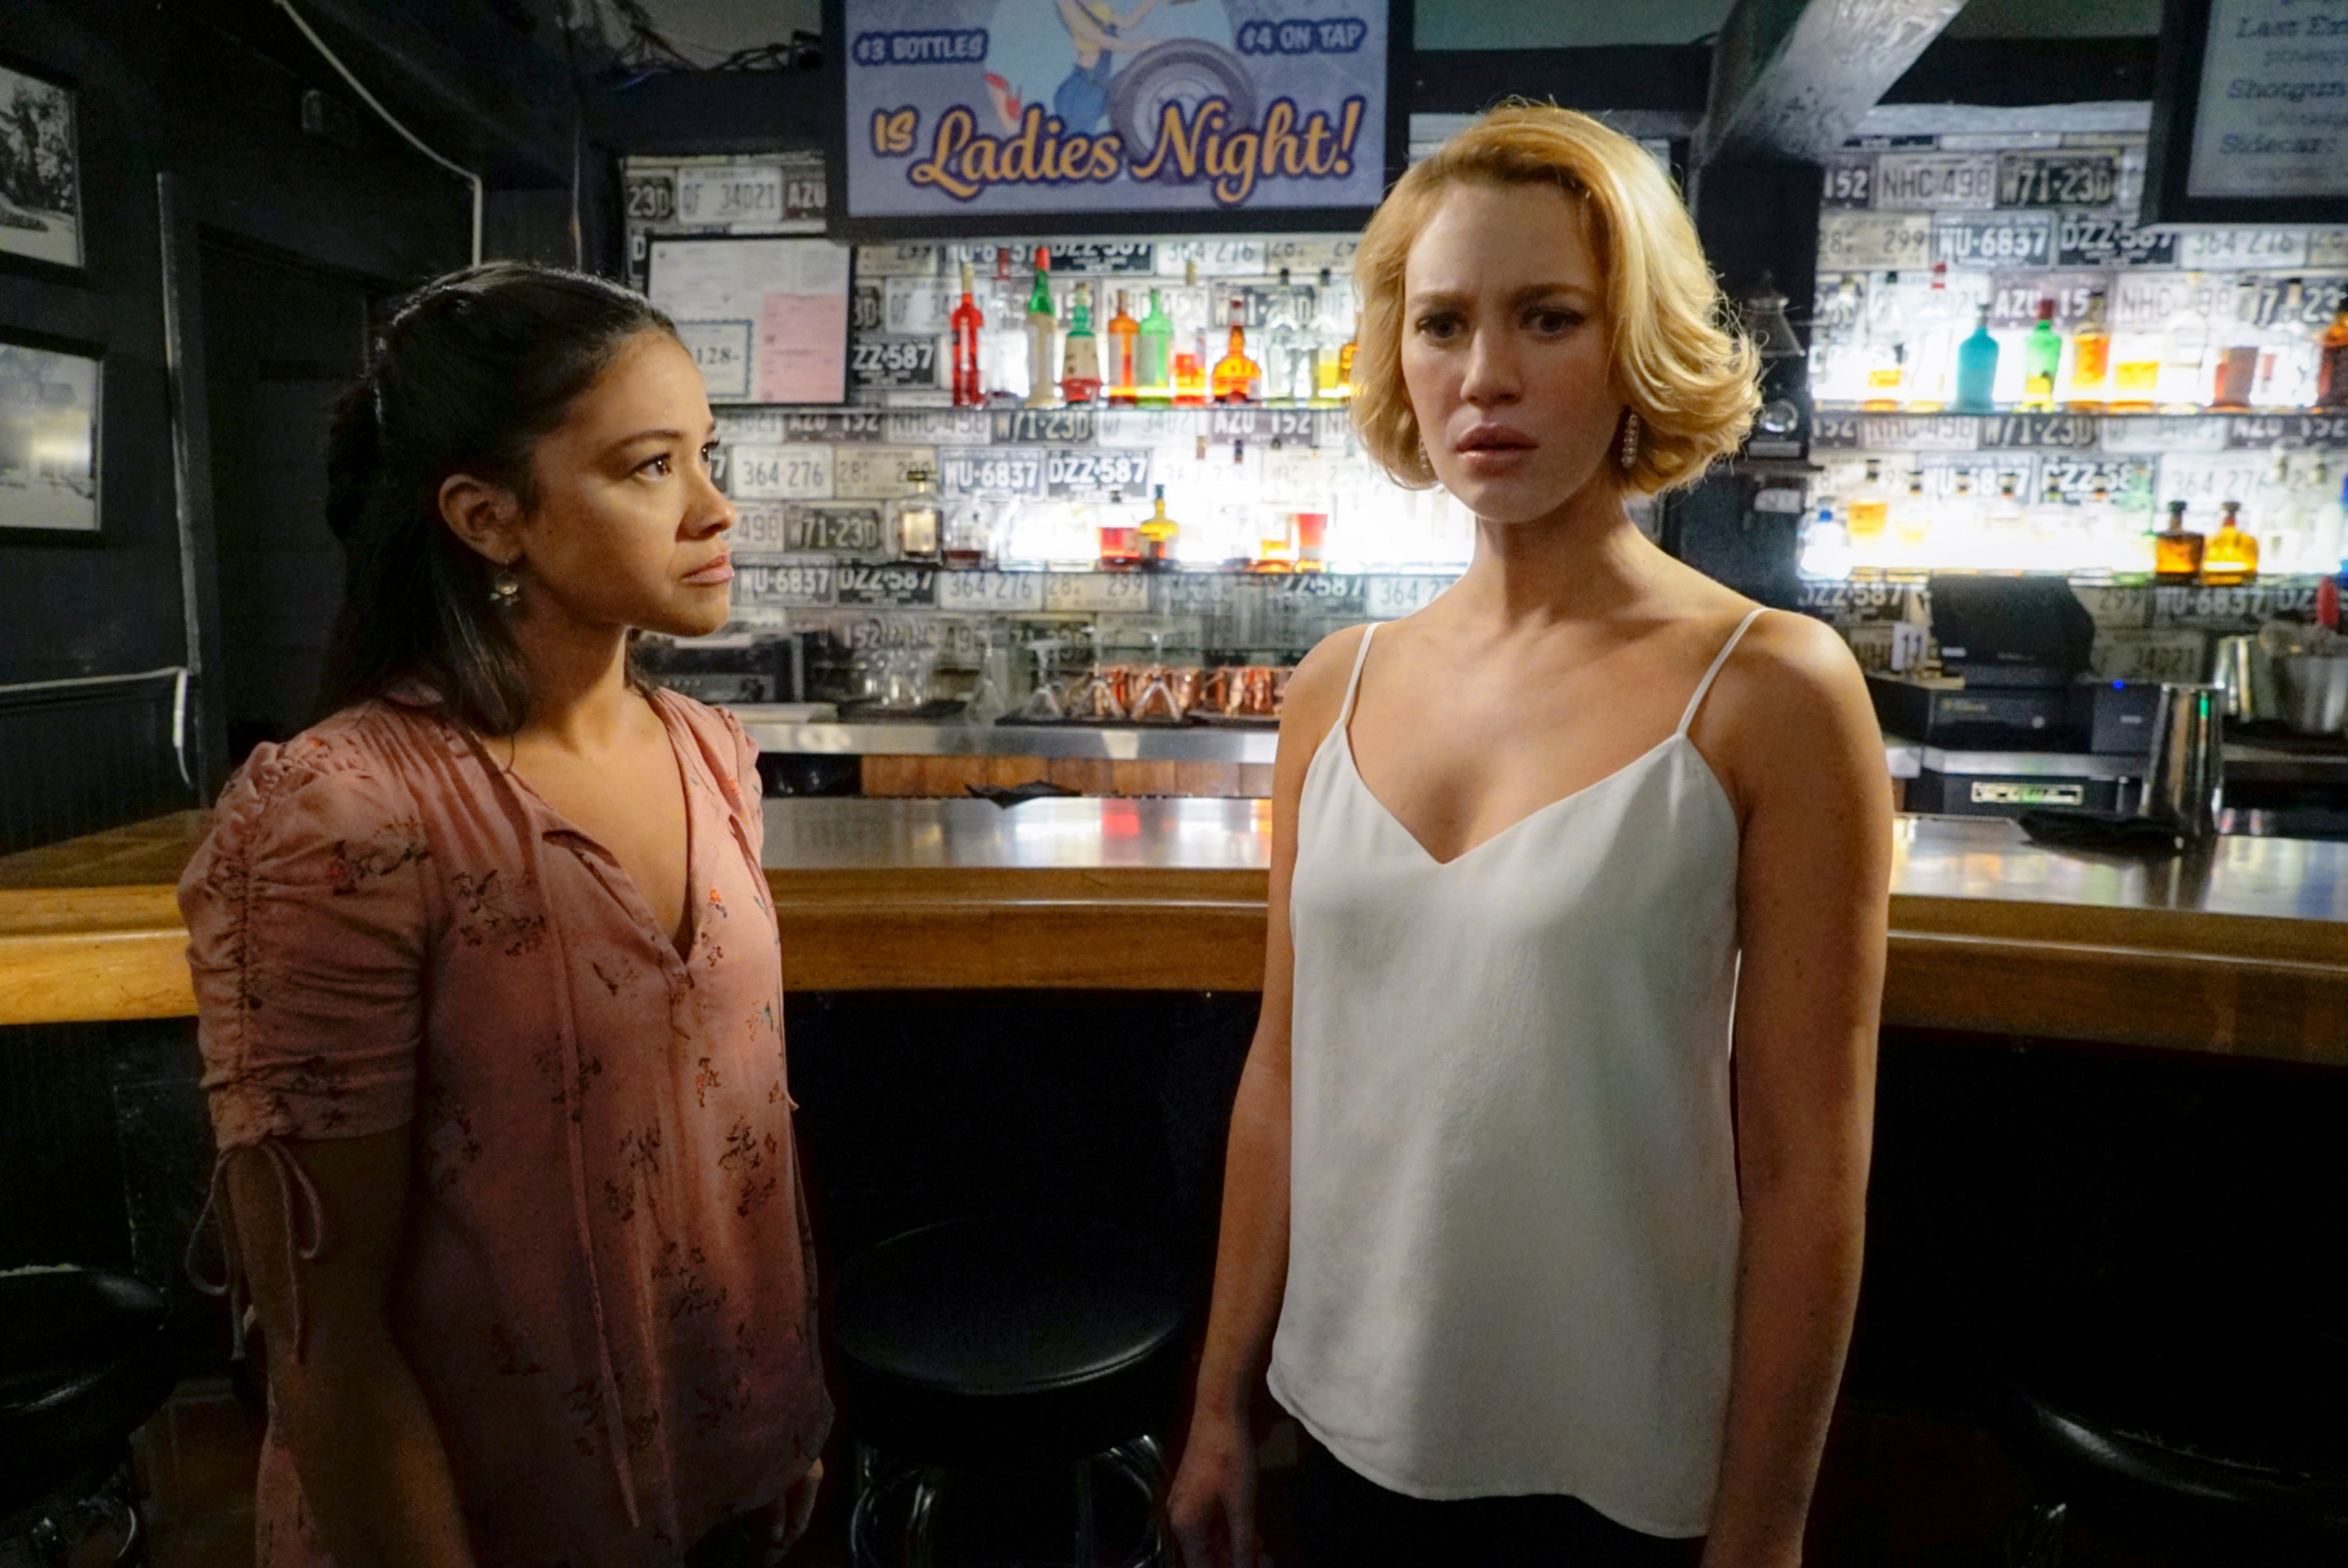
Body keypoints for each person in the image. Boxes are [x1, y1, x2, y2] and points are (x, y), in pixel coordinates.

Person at [1168, 106, 1891, 1568]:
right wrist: (1219, 1402)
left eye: (1548, 318)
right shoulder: (1336, 682)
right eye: (1442, 324)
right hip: (1343, 1409)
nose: (1484, 376)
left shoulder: (1769, 689)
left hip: (1614, 1447)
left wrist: (1765, 1533)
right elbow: (1285, 1071)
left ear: (1636, 348)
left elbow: (1809, 1170)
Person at [177, 264, 829, 1567]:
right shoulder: (341, 814)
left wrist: (783, 1418)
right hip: (493, 1515)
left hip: (735, 1468)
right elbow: (327, 1337)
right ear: (488, 518)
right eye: (651, 467)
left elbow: (738, 1127)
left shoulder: (711, 752)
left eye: (707, 455)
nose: (716, 508)